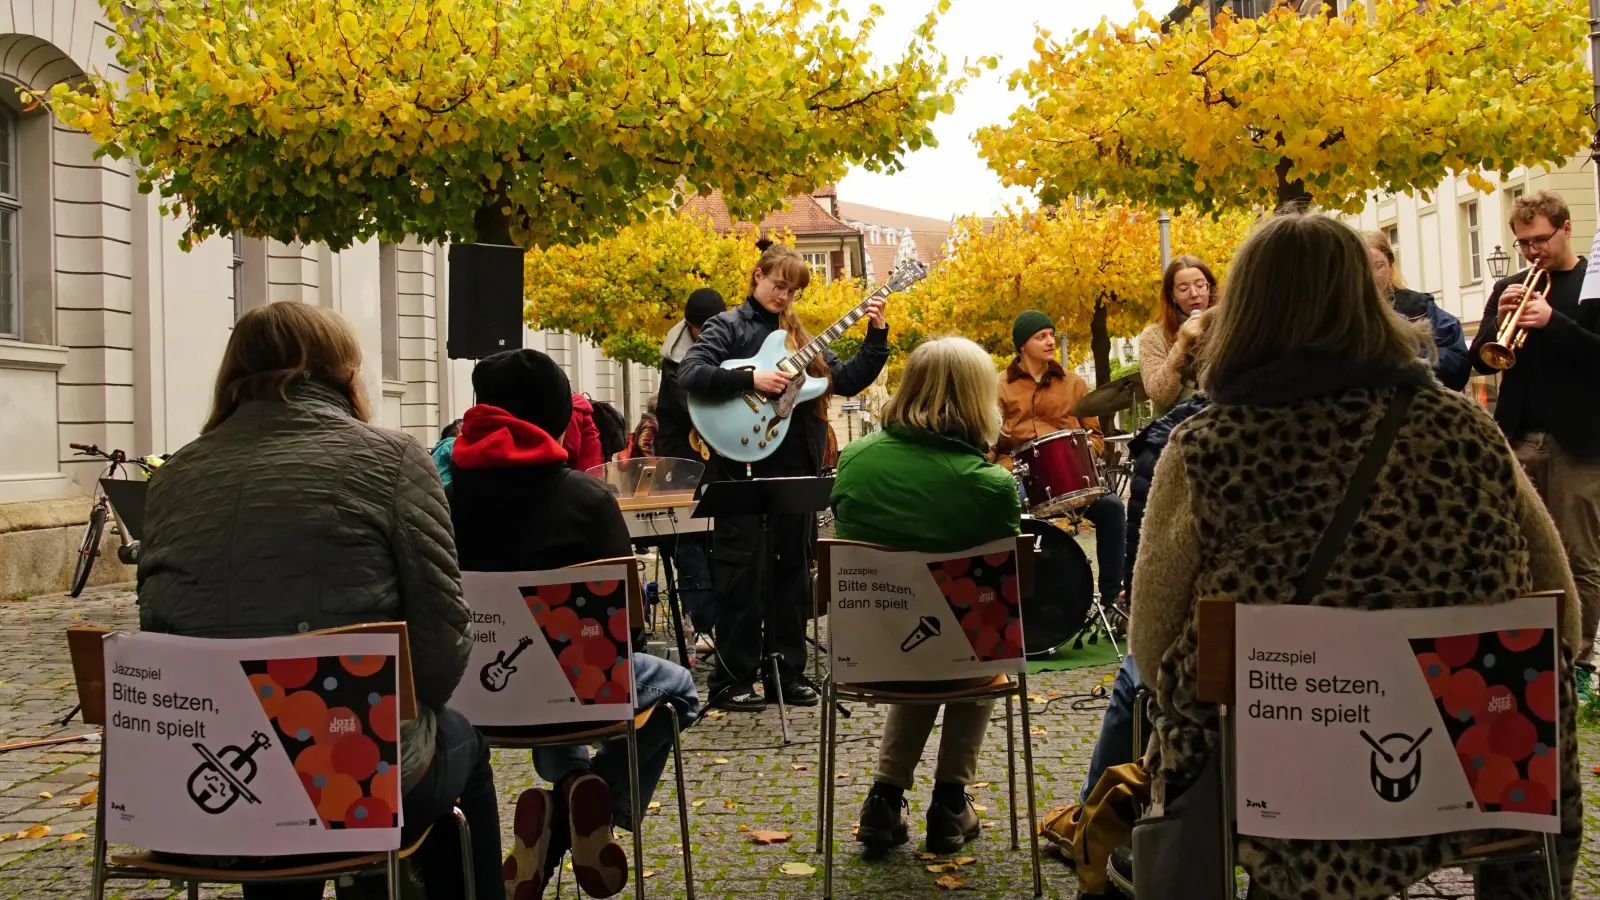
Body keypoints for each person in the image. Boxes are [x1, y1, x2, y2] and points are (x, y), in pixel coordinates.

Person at [1131, 212, 1581, 899]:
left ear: (1244, 308)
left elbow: (1151, 641)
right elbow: (1564, 616)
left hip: (1283, 777)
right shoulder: (1464, 428)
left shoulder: (1204, 447)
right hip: (1469, 765)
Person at [136, 302, 501, 899]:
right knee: (457, 743)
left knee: (281, 767)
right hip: (353, 784)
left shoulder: (174, 476)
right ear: (340, 372)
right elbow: (439, 641)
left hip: (203, 799)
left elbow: (161, 627)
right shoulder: (392, 460)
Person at [447, 348, 699, 900]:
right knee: (680, 689)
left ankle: (565, 799)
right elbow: (625, 635)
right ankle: (593, 799)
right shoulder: (586, 499)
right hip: (580, 691)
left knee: (554, 682)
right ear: (558, 417)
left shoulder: (443, 502)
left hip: (474, 704)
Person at [831, 337, 1022, 855]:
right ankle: (950, 802)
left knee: (927, 633)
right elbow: (1003, 588)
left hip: (867, 655)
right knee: (982, 632)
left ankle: (884, 798)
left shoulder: (854, 459)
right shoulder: (992, 486)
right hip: (956, 659)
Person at [680, 242, 890, 712]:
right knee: (740, 573)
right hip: (743, 467)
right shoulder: (727, 326)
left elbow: (846, 380)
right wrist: (750, 380)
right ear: (758, 275)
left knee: (793, 571)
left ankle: (785, 673)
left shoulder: (798, 334)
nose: (784, 297)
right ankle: (732, 679)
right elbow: (691, 373)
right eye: (778, 285)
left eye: (792, 291)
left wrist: (875, 337)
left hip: (796, 462)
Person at [1469, 190, 1600, 701]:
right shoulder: (1511, 285)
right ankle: (1525, 651)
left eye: (1540, 240)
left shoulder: (1591, 286)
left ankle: (1579, 662)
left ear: (1566, 229)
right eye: (1523, 243)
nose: (1531, 252)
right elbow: (1483, 362)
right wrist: (1496, 325)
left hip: (1580, 441)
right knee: (1516, 547)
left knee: (1579, 558)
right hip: (1520, 437)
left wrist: (1552, 322)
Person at [995, 311, 1127, 616]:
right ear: (1022, 345)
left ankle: (1111, 598)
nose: (1050, 341)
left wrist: (1081, 455)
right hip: (1020, 477)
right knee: (1000, 513)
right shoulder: (998, 387)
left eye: (1051, 334)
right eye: (1041, 336)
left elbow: (1095, 435)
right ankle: (1013, 605)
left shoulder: (1074, 383)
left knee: (1112, 509)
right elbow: (991, 446)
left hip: (1069, 478)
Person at [658, 287, 727, 652]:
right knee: (690, 543)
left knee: (719, 541)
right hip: (681, 464)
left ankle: (721, 620)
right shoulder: (675, 362)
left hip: (714, 461)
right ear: (690, 327)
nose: (707, 336)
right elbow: (695, 408)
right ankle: (702, 624)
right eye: (702, 329)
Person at [1363, 230, 1471, 391]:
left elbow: (1457, 368)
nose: (1370, 276)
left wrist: (1405, 352)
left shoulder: (1420, 307)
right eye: (1362, 268)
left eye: (1378, 266)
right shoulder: (1339, 312)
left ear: (1390, 267)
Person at [1137, 256, 1216, 414]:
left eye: (1201, 286)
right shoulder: (1153, 336)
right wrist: (1182, 344)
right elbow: (1159, 394)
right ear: (1172, 296)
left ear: (1210, 288)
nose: (1194, 293)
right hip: (1173, 430)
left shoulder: (1227, 325)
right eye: (1183, 289)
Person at [564, 392, 604, 474]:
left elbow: (572, 448)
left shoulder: (572, 410)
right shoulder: (577, 405)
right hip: (591, 454)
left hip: (584, 461)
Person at [432, 418, 463, 486]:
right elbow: (459, 463)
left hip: (435, 484)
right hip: (446, 484)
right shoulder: (453, 443)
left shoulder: (440, 446)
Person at [626, 395, 658, 459]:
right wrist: (653, 462)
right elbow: (642, 444)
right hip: (644, 464)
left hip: (638, 461)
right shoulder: (651, 423)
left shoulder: (645, 420)